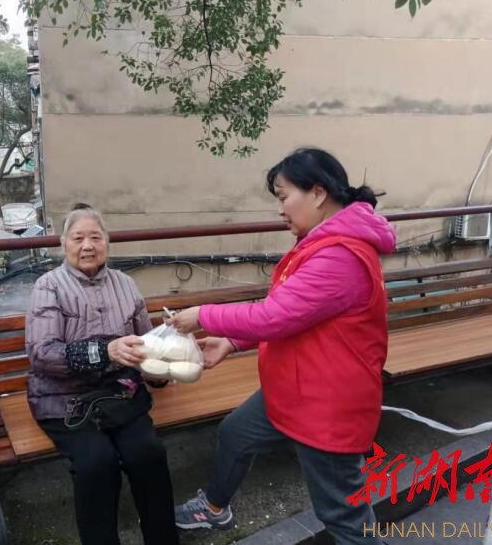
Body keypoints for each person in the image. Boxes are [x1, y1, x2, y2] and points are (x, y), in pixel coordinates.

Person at [167, 148, 396, 545]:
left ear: (318, 193)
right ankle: (215, 507)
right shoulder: (321, 244)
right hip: (294, 388)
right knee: (236, 432)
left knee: (343, 515)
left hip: (326, 405)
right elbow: (294, 315)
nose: (279, 209)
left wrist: (202, 314)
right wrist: (232, 341)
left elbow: (274, 315)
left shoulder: (340, 256)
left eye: (283, 196)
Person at [26, 206, 179, 545]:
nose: (87, 246)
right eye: (78, 238)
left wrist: (159, 367)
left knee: (149, 453)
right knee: (97, 463)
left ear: (107, 242)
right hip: (65, 400)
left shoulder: (125, 284)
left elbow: (145, 343)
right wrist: (104, 351)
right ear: (63, 244)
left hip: (119, 393)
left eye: (95, 237)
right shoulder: (48, 287)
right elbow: (42, 354)